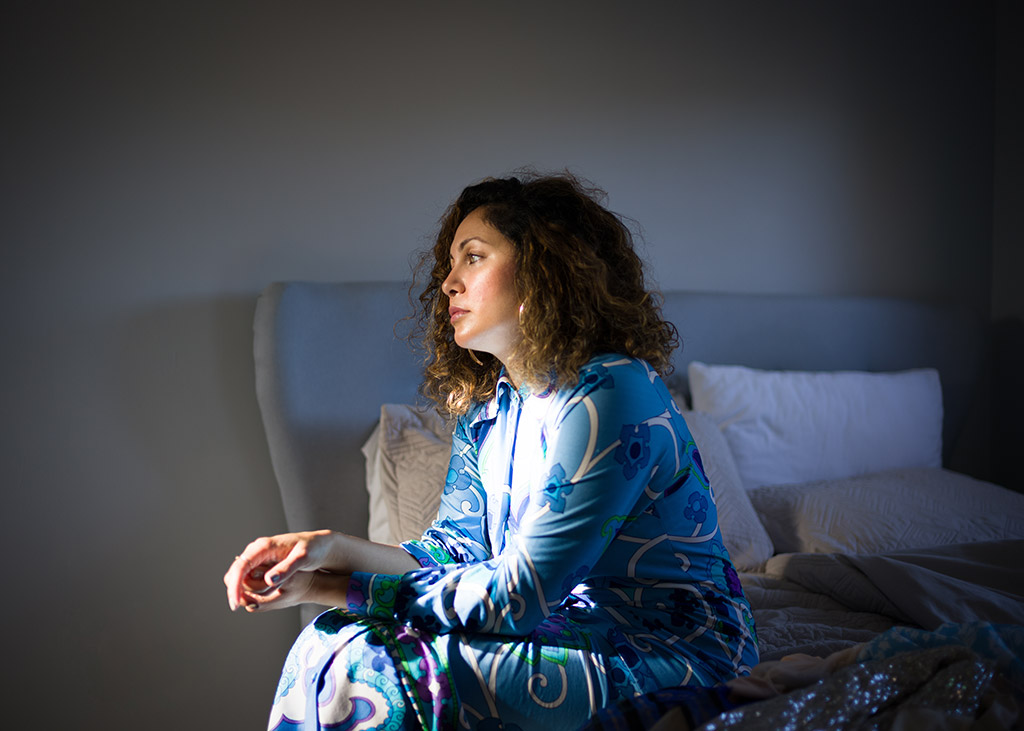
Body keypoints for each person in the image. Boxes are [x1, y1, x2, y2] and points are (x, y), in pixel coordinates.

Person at [224, 172, 759, 731]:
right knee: (331, 634)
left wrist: (336, 585)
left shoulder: (613, 392)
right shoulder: (490, 413)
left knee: (376, 662)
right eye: (450, 266)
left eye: (473, 257)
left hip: (668, 647)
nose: (449, 284)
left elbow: (518, 598)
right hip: (564, 629)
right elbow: (453, 553)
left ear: (546, 269)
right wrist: (328, 551)